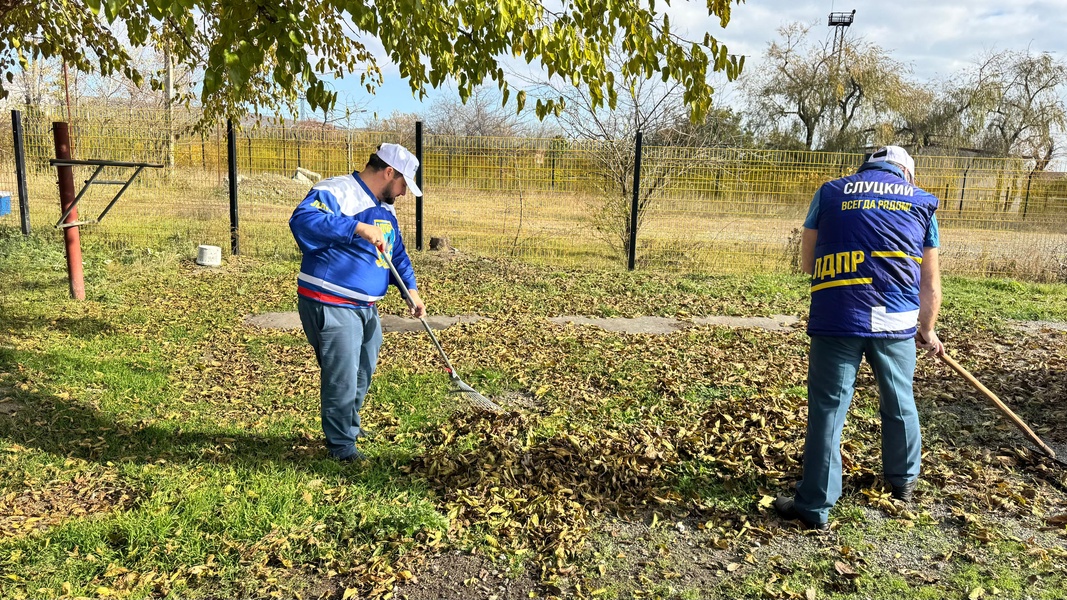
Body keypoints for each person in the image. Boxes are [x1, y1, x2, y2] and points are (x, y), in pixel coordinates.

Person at [774, 145, 945, 531]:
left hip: (838, 315)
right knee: (900, 401)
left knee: (828, 410)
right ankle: (902, 484)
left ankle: (814, 505)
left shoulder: (831, 192)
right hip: (895, 321)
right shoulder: (922, 202)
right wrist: (927, 329)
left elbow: (807, 263)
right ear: (906, 173)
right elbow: (929, 283)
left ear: (866, 166)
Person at [289, 143, 426, 462]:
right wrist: (355, 227)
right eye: (404, 184)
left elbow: (397, 255)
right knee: (343, 375)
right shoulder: (337, 191)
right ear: (389, 172)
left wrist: (411, 291)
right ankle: (341, 447)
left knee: (362, 370)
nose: (404, 193)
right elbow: (303, 221)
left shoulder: (385, 209)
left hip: (366, 307)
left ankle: (347, 426)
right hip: (331, 299)